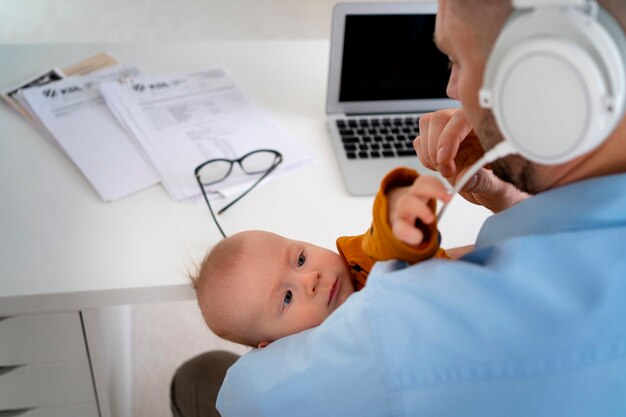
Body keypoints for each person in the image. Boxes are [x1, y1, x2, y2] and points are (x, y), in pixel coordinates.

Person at [172, 1, 626, 416]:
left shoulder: (387, 334)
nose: (450, 89)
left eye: (458, 61)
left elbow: (245, 399)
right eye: (286, 297)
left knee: (200, 377)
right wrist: (507, 199)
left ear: (560, 79)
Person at [189, 167, 472, 350]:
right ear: (273, 346)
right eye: (287, 298)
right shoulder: (324, 359)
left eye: (300, 259)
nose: (311, 279)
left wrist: (399, 213)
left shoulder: (362, 262)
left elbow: (385, 243)